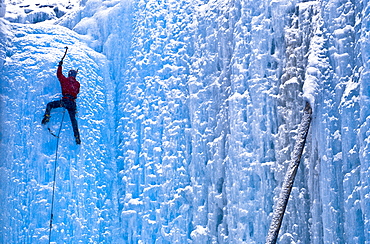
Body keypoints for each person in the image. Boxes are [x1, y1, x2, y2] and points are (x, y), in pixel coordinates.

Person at [42, 60, 81, 144]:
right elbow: (77, 92)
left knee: (50, 105)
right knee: (73, 120)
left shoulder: (65, 80)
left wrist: (60, 65)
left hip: (65, 101)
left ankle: (47, 116)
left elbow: (59, 74)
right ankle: (77, 136)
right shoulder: (77, 84)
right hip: (72, 103)